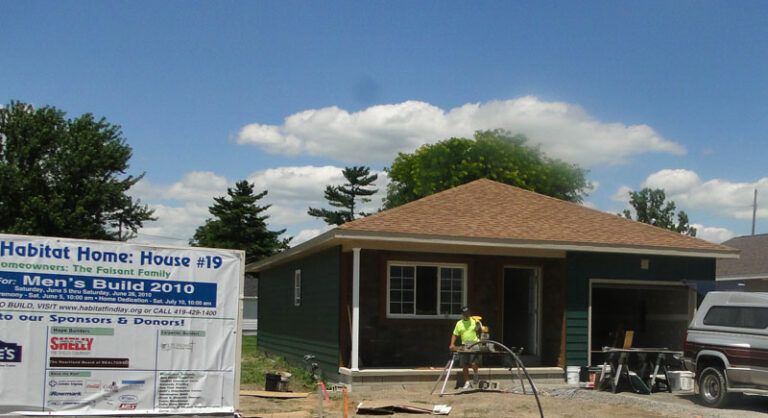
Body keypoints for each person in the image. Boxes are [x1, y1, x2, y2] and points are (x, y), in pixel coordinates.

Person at [449, 306, 481, 389]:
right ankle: (467, 382)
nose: (467, 315)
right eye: (465, 314)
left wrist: (478, 325)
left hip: (474, 343)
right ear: (462, 314)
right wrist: (452, 344)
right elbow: (455, 334)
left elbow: (480, 330)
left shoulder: (474, 321)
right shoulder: (459, 323)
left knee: (473, 363)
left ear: (469, 313)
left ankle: (476, 374)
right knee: (464, 365)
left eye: (468, 313)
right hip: (464, 344)